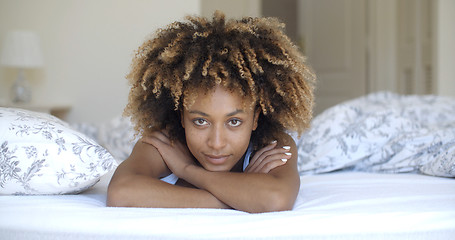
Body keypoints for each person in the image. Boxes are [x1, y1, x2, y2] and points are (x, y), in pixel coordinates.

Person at [107, 11, 315, 213]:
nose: (216, 143)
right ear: (182, 117)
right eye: (200, 121)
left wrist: (188, 171)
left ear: (255, 118)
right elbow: (121, 192)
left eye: (234, 122)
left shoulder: (271, 146)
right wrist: (241, 198)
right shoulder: (165, 143)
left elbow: (275, 199)